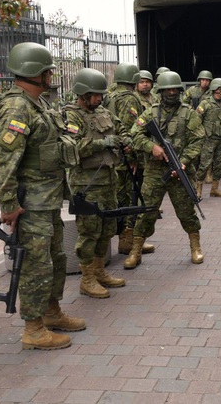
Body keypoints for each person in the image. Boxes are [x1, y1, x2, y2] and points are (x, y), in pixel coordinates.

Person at [0, 42, 86, 350]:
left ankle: (51, 311)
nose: (50, 76)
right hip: (30, 204)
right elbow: (4, 160)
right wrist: (9, 204)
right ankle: (33, 329)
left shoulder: (39, 104)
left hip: (48, 200)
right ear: (36, 73)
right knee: (36, 265)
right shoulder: (16, 108)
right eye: (47, 71)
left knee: (56, 258)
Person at [127, 70, 206, 268]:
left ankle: (195, 246)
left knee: (186, 210)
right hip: (154, 172)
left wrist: (184, 161)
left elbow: (198, 140)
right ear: (160, 91)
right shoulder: (150, 112)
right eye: (167, 90)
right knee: (146, 211)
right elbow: (134, 134)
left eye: (175, 90)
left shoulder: (188, 113)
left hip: (180, 170)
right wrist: (151, 147)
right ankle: (135, 250)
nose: (171, 93)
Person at [64, 68, 129, 298]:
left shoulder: (104, 112)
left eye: (101, 94)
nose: (99, 98)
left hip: (109, 181)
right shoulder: (71, 116)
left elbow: (120, 129)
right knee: (89, 232)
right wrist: (102, 143)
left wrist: (125, 140)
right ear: (82, 94)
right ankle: (87, 278)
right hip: (87, 184)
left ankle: (100, 271)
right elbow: (72, 148)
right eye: (95, 95)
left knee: (107, 228)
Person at [107, 64, 155, 256]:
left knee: (121, 197)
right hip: (125, 160)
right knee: (130, 196)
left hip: (114, 157)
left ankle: (125, 238)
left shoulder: (110, 96)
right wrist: (133, 158)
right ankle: (127, 240)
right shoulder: (128, 98)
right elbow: (129, 131)